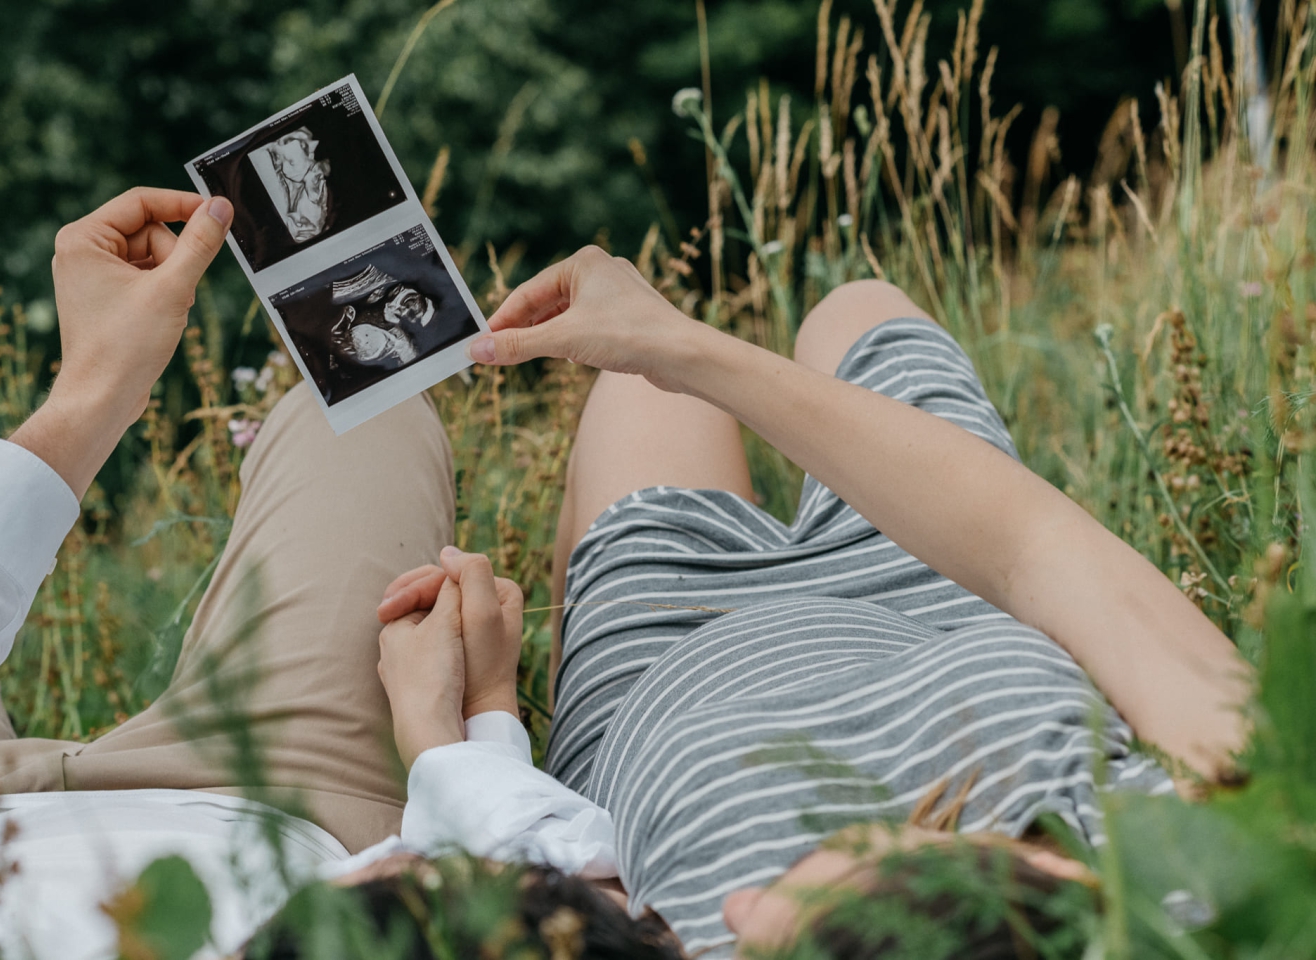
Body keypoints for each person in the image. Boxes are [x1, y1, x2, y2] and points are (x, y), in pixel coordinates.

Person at [368, 247, 1253, 957]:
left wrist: (463, 724)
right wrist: (680, 346)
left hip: (675, 660)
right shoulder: (1238, 878)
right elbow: (1033, 551)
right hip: (951, 584)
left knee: (634, 400)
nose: (732, 916)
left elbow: (559, 898)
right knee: (858, 307)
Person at [0, 190, 659, 959]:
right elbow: (596, 916)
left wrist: (96, 393)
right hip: (283, 806)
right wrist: (465, 736)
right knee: (363, 420)